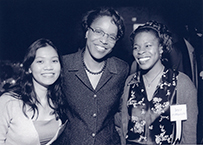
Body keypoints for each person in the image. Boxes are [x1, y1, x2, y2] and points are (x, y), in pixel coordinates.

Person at [53, 7, 129, 145]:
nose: (104, 40)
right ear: (87, 31)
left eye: (111, 36)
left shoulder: (121, 69)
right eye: (99, 31)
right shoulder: (64, 65)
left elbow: (122, 111)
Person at [120, 21, 198, 144]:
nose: (140, 51)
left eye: (148, 45)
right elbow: (124, 128)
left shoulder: (182, 83)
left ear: (161, 48)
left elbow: (189, 137)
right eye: (136, 47)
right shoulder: (130, 82)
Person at [0, 38, 68, 145]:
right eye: (40, 61)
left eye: (54, 61)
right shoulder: (9, 102)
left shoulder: (60, 101)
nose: (49, 67)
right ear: (29, 68)